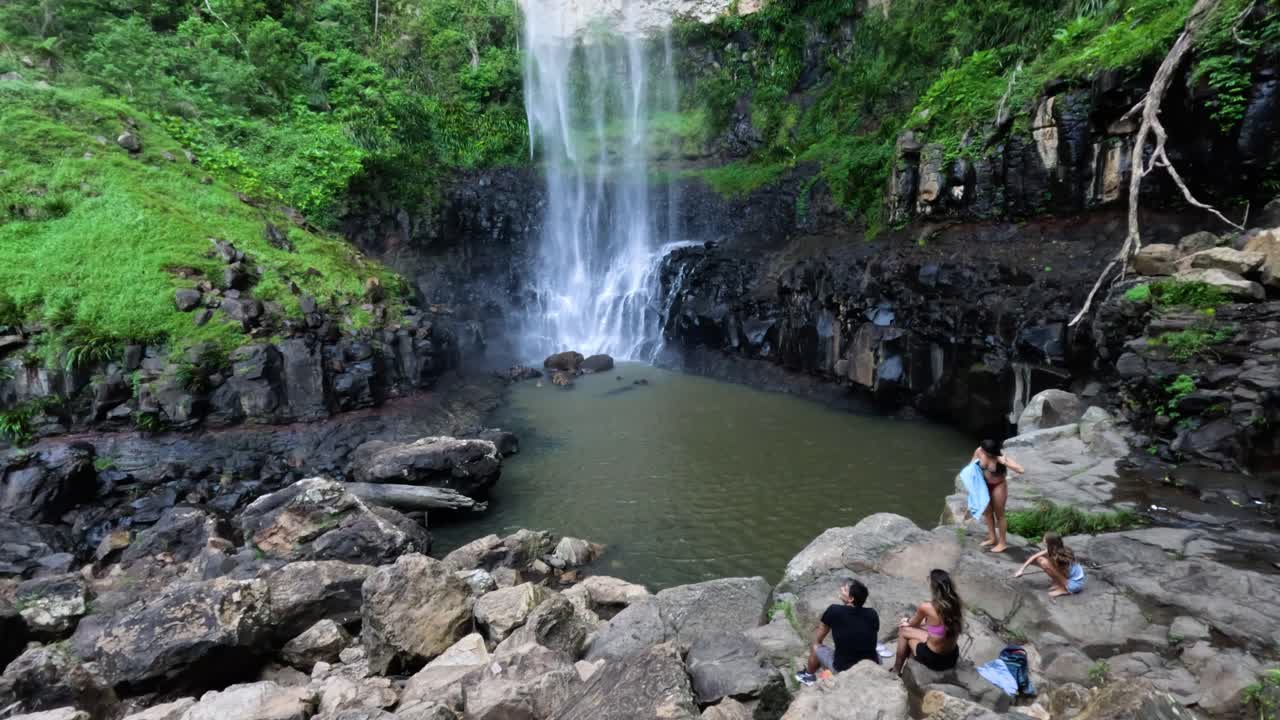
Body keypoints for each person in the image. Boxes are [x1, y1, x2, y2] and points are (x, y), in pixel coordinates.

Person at [795, 578, 879, 686]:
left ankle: (808, 675)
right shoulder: (872, 613)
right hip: (871, 664)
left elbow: (820, 635)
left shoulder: (834, 610)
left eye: (844, 590)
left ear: (851, 599)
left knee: (816, 646)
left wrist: (818, 644)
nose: (841, 589)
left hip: (843, 668)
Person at [893, 569, 963, 674]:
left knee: (904, 630)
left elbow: (913, 624)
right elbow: (937, 627)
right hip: (951, 657)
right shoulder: (956, 603)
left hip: (934, 659)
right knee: (921, 628)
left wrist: (906, 621)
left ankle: (896, 670)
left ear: (933, 586)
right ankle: (906, 668)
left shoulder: (927, 607)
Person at [973, 438, 1024, 553]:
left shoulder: (1001, 456)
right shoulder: (979, 451)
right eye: (983, 450)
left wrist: (1004, 462)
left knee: (999, 514)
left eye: (986, 452)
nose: (983, 452)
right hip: (983, 485)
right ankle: (992, 538)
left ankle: (1002, 543)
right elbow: (972, 465)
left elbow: (1021, 470)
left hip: (998, 485)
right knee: (987, 512)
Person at [1013, 531, 1086, 598]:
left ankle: (1064, 589)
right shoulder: (1052, 550)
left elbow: (1065, 573)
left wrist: (1052, 567)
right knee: (1040, 559)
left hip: (1075, 584)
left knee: (1046, 563)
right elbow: (1034, 556)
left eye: (1045, 539)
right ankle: (1060, 584)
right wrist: (1021, 570)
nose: (1043, 539)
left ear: (1051, 543)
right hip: (1067, 578)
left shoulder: (1060, 556)